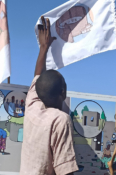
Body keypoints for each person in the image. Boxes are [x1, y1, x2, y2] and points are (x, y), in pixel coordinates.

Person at [20, 17, 78, 175]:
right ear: (63, 93)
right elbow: (65, 169)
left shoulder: (32, 106)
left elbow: (38, 77)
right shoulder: (60, 120)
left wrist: (43, 47)